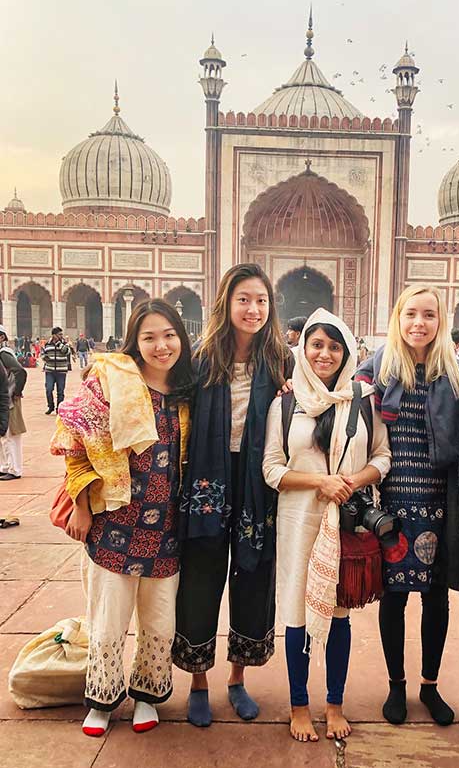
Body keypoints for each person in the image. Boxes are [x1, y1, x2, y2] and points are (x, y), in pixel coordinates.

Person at [50, 299, 194, 737]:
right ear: (135, 341)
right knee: (109, 615)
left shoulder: (190, 390)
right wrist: (79, 504)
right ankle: (103, 698)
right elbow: (76, 443)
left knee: (158, 618)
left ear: (182, 339)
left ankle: (146, 693)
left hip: (167, 527)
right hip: (116, 522)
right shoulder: (109, 381)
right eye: (149, 337)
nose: (161, 345)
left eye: (169, 335)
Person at [172, 263, 293, 728]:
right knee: (201, 577)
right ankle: (199, 680)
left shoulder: (281, 360)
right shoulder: (201, 359)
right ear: (226, 302)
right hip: (207, 479)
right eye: (244, 299)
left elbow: (322, 398)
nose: (253, 309)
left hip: (257, 481)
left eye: (261, 300)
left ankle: (237, 679)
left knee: (253, 573)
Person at [263, 309, 391, 742]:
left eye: (334, 346)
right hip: (299, 520)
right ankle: (299, 705)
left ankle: (334, 703)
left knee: (338, 613)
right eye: (316, 344)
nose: (325, 354)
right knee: (297, 614)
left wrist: (351, 482)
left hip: (343, 521)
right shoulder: (285, 402)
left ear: (348, 352)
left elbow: (382, 458)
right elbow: (271, 469)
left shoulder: (363, 399)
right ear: (303, 347)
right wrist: (320, 481)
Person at [356, 285, 459, 727]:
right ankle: (396, 686)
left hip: (442, 505)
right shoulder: (380, 371)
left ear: (440, 322)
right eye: (411, 314)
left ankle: (430, 684)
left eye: (429, 315)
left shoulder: (458, 376)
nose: (419, 323)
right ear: (398, 319)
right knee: (395, 599)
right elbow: (331, 385)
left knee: (436, 599)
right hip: (395, 504)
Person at [0, 325, 27, 480]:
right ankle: (4, 466)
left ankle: (14, 469)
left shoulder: (4, 354)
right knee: (3, 434)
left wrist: (15, 392)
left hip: (8, 399)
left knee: (10, 433)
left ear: (2, 337)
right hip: (5, 397)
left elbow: (20, 371)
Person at [41, 327, 71, 414]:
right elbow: (42, 353)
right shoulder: (47, 344)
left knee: (60, 391)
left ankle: (59, 408)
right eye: (59, 334)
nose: (61, 336)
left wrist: (58, 343)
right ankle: (51, 406)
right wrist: (44, 358)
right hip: (50, 370)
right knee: (48, 389)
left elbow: (66, 351)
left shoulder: (65, 343)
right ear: (54, 335)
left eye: (62, 334)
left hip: (61, 371)